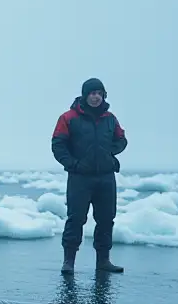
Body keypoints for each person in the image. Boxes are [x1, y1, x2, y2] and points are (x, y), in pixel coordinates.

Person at [51, 77, 127, 274]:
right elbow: (58, 145)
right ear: (85, 95)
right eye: (92, 93)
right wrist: (73, 165)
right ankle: (69, 262)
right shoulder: (68, 118)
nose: (96, 97)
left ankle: (103, 261)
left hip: (105, 177)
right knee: (75, 219)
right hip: (80, 178)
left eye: (99, 93)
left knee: (106, 219)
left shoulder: (110, 118)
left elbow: (121, 139)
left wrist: (110, 154)